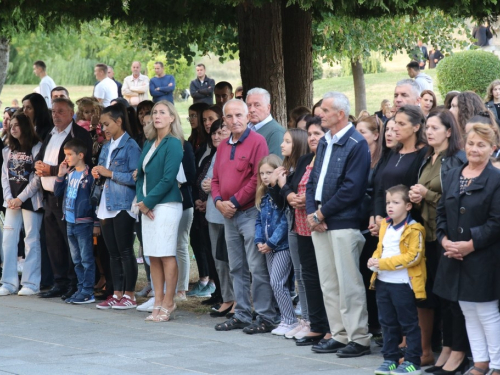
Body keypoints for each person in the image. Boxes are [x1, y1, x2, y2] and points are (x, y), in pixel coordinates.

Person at [305, 92, 372, 357]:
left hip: (342, 222)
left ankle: (359, 337)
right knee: (329, 283)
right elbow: (313, 181)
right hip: (321, 221)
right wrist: (312, 212)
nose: (320, 113)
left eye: (325, 109)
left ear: (340, 114)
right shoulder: (325, 142)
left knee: (349, 283)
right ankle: (339, 334)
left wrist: (321, 215)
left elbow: (352, 189)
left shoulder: (357, 143)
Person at [435, 123, 500, 375]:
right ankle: (481, 362)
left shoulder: (496, 179)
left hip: (484, 256)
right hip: (453, 254)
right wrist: (444, 241)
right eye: (471, 143)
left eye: (481, 145)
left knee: (486, 311)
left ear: (492, 149)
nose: (474, 149)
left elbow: (496, 222)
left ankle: (496, 365)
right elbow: (441, 214)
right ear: (464, 145)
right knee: (467, 310)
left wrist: (470, 244)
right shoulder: (453, 175)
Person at [409, 109, 469, 374]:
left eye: (435, 127)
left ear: (449, 131)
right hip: (428, 235)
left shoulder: (456, 159)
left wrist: (427, 194)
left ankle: (458, 352)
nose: (429, 132)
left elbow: (456, 199)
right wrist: (416, 196)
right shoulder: (427, 157)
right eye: (427, 127)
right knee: (439, 296)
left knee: (451, 298)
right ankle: (446, 348)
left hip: (449, 236)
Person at [212, 99, 275, 333]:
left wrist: (234, 203)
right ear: (224, 119)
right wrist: (219, 202)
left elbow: (257, 179)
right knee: (236, 267)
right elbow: (216, 178)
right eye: (229, 116)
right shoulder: (222, 146)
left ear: (248, 116)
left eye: (239, 115)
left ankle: (265, 316)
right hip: (228, 215)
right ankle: (242, 314)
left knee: (257, 267)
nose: (234, 120)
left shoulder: (258, 142)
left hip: (249, 213)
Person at [275, 117, 331, 345]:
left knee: (324, 279)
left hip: (319, 225)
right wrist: (289, 194)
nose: (313, 138)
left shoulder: (328, 159)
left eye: (318, 133)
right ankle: (315, 325)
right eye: (310, 134)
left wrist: (306, 203)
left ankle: (326, 326)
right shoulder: (307, 159)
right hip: (300, 227)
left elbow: (319, 190)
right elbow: (296, 186)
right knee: (307, 277)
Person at [35, 98, 93, 300]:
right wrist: (38, 165)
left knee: (71, 245)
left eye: (60, 111)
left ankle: (73, 283)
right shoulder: (51, 133)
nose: (55, 115)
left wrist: (50, 170)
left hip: (68, 197)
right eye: (53, 112)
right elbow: (41, 156)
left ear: (71, 113)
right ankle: (59, 282)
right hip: (49, 196)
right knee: (54, 243)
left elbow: (82, 164)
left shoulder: (79, 135)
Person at [369, 184, 426, 375]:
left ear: (408, 206)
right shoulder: (385, 225)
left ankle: (412, 361)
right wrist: (374, 260)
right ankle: (390, 358)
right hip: (384, 282)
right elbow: (381, 249)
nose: (390, 206)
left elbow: (413, 257)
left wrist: (382, 264)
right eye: (387, 203)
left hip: (402, 284)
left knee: (408, 323)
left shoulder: (414, 229)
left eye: (395, 202)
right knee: (387, 322)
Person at [135, 100, 184, 322]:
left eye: (162, 112)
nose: (157, 116)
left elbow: (168, 179)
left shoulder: (173, 143)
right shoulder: (149, 142)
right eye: (155, 112)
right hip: (148, 205)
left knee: (165, 253)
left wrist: (149, 202)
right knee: (153, 255)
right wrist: (143, 201)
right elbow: (140, 175)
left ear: (172, 117)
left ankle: (169, 301)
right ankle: (157, 299)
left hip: (167, 204)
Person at [92, 103, 141, 310]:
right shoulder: (106, 146)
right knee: (112, 252)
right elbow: (102, 171)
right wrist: (97, 173)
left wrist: (109, 173)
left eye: (106, 124)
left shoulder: (131, 146)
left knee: (125, 250)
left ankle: (129, 294)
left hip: (123, 204)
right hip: (106, 202)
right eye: (102, 125)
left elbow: (135, 177)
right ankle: (117, 293)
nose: (103, 128)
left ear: (119, 122)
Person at [0, 112, 43, 296]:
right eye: (11, 125)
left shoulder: (37, 147)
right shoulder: (8, 149)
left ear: (25, 126)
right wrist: (9, 197)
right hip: (11, 202)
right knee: (8, 241)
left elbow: (36, 178)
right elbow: (4, 176)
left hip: (30, 201)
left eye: (17, 125)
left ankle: (31, 283)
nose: (13, 128)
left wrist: (21, 198)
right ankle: (8, 282)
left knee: (31, 240)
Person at [255, 154, 299, 336]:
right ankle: (285, 319)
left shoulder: (280, 195)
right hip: (268, 247)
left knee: (277, 282)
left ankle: (290, 320)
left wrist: (271, 242)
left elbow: (284, 222)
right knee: (276, 283)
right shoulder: (263, 195)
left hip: (281, 247)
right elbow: (259, 220)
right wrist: (259, 240)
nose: (265, 177)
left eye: (269, 172)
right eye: (262, 173)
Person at [54, 139, 99, 304]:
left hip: (83, 222)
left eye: (69, 154)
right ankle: (81, 288)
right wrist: (60, 174)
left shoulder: (89, 176)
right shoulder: (70, 174)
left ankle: (88, 291)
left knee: (86, 259)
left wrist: (96, 223)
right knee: (77, 259)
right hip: (70, 222)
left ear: (80, 155)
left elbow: (94, 200)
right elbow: (57, 192)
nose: (66, 158)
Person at [274, 128, 310, 325]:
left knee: (304, 275)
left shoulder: (302, 171)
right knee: (299, 275)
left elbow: (293, 199)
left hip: (302, 224)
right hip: (292, 223)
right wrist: (275, 185)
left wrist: (283, 185)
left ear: (297, 144)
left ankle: (309, 318)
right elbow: (281, 203)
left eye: (287, 141)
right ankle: (305, 319)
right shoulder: (289, 169)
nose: (282, 145)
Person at [201, 119, 235, 317]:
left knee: (231, 260)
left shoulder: (232, 149)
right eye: (214, 132)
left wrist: (212, 185)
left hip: (227, 211)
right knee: (219, 260)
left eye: (221, 131)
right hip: (213, 212)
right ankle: (226, 298)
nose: (217, 136)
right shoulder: (216, 152)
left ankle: (237, 301)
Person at [374, 105, 428, 226]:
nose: (395, 128)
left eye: (401, 124)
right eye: (396, 122)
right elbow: (381, 187)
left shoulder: (425, 154)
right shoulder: (393, 152)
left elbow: (415, 193)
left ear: (416, 127)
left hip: (408, 225)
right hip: (385, 223)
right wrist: (378, 217)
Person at [356, 115, 383, 335]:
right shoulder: (358, 156)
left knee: (374, 274)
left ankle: (377, 323)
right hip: (360, 225)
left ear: (376, 135)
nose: (358, 135)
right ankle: (371, 322)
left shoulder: (382, 159)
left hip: (376, 224)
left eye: (363, 132)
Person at [246, 87, 286, 157]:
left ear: (268, 108)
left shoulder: (276, 132)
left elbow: (276, 164)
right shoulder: (245, 128)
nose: (251, 110)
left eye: (257, 105)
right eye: (249, 105)